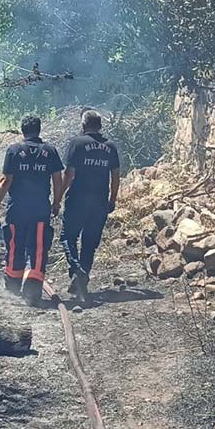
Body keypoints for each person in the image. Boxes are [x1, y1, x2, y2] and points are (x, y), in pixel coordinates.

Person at [0, 115, 65, 306]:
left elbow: (5, 181)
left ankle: (13, 289)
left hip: (17, 210)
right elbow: (58, 180)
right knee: (39, 249)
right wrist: (56, 203)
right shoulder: (50, 151)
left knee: (15, 247)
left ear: (22, 131)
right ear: (39, 130)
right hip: (40, 209)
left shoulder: (14, 150)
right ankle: (33, 293)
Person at [61, 110, 120, 300]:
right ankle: (82, 278)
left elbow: (69, 174)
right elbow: (116, 176)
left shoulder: (77, 143)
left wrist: (58, 197)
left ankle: (77, 272)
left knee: (67, 237)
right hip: (100, 202)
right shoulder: (110, 147)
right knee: (89, 243)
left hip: (77, 199)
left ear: (83, 125)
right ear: (100, 126)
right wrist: (112, 199)